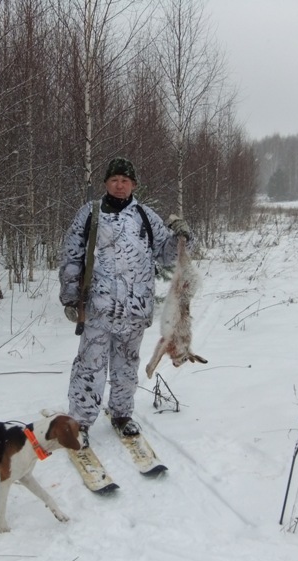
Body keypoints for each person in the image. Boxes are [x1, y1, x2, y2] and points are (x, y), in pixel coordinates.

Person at [59, 157, 192, 446]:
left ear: (134, 184)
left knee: (127, 365)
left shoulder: (145, 215)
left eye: (126, 180)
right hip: (98, 308)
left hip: (135, 310)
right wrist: (70, 297)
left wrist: (181, 237)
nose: (120, 185)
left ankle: (121, 414)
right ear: (106, 183)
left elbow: (166, 255)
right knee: (89, 365)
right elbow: (71, 256)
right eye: (115, 180)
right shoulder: (90, 213)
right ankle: (80, 422)